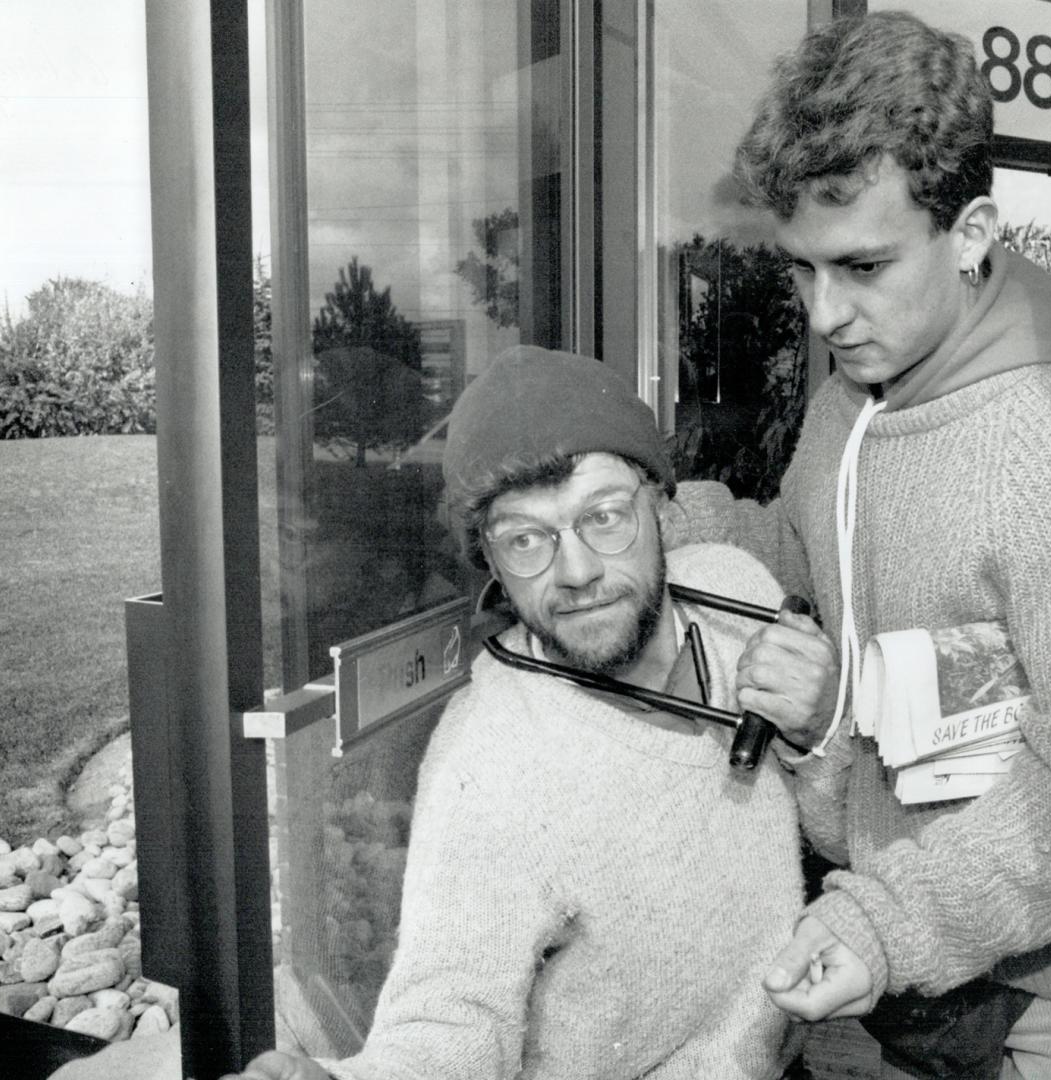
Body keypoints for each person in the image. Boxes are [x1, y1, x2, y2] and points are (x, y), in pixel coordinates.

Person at [664, 11, 1051, 1078]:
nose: (826, 312)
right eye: (802, 270)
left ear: (967, 234)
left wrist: (881, 923)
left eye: (863, 266)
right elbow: (794, 542)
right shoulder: (854, 397)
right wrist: (640, 523)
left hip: (1031, 1001)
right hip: (890, 947)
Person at [219, 345, 810, 1080]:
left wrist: (818, 729)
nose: (576, 571)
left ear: (663, 507)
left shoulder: (734, 595)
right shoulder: (493, 759)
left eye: (603, 516)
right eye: (525, 538)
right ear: (491, 566)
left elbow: (837, 815)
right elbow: (452, 1009)